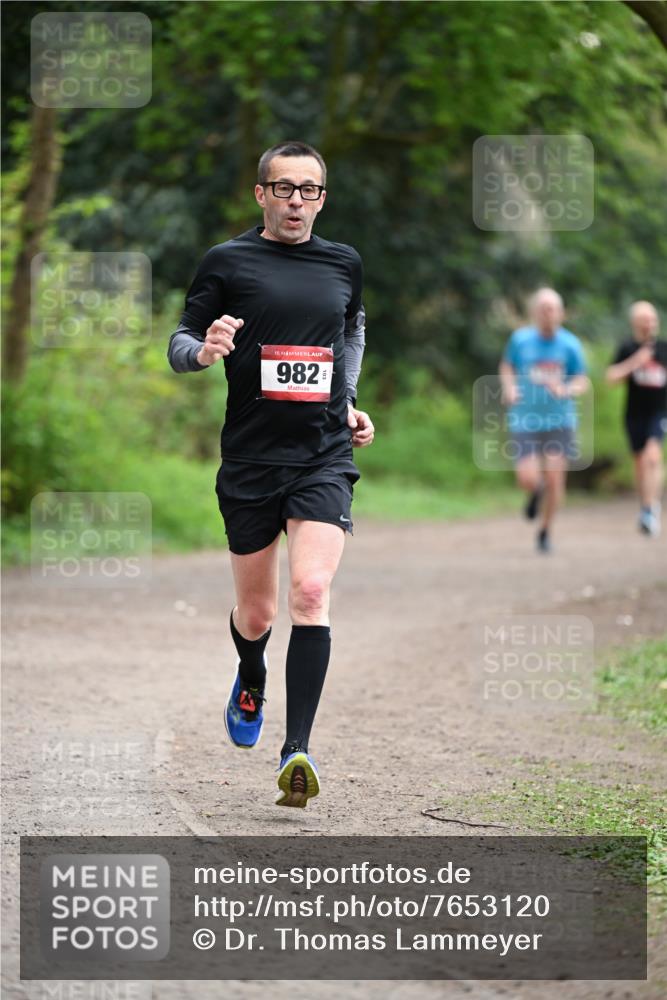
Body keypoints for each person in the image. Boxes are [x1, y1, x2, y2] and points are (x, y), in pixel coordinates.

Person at [167, 141, 374, 807]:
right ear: (260, 194)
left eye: (307, 189)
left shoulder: (343, 262)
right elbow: (178, 342)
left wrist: (346, 404)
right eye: (282, 188)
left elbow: (350, 334)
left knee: (310, 592)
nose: (295, 200)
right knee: (256, 614)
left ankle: (297, 752)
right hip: (251, 459)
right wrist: (204, 351)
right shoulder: (227, 262)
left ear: (321, 197)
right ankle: (249, 672)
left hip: (321, 456)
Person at [499, 288, 589, 553]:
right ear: (535, 313)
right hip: (525, 418)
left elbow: (581, 380)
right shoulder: (520, 340)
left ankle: (545, 531)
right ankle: (535, 491)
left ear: (561, 313)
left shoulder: (570, 344)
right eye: (543, 308)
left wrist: (567, 389)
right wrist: (509, 387)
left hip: (560, 420)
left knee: (555, 478)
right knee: (527, 478)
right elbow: (506, 366)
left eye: (553, 308)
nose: (548, 313)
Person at [606, 301, 666, 536]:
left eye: (653, 320)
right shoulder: (628, 348)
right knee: (640, 462)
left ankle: (652, 509)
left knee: (653, 456)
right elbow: (611, 377)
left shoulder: (664, 348)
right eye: (645, 320)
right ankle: (646, 507)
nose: (650, 324)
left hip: (660, 412)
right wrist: (635, 362)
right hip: (634, 414)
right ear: (635, 323)